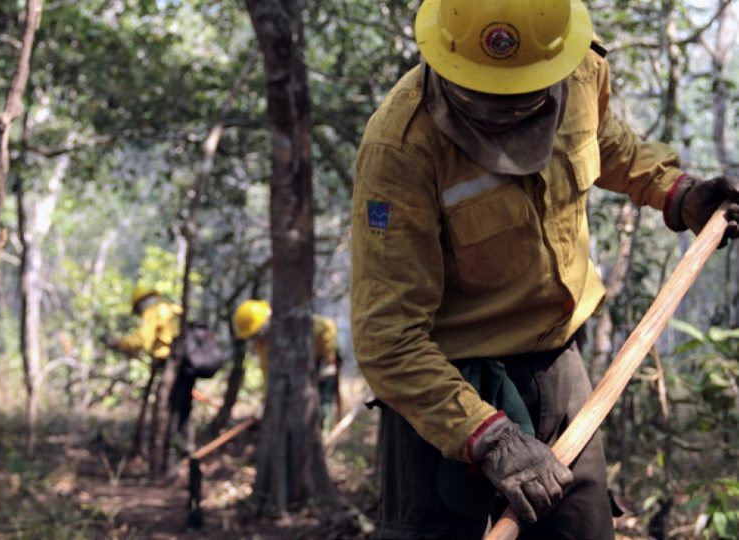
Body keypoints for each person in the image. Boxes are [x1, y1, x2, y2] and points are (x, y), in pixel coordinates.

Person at [350, 1, 739, 538]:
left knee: (581, 528)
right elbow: (388, 340)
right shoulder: (401, 147)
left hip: (557, 370)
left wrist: (677, 192)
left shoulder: (577, 70)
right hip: (439, 386)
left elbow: (603, 139)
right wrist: (487, 435)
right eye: (489, 97)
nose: (507, 113)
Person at [106, 286, 194, 455]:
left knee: (169, 408)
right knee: (183, 407)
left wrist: (119, 343)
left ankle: (169, 451)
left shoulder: (153, 310)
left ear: (140, 304)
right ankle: (185, 447)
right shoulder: (171, 307)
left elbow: (142, 340)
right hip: (188, 363)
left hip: (173, 364)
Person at [233, 299, 341, 433]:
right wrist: (265, 401)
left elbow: (328, 326)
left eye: (256, 334)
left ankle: (322, 434)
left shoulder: (293, 324)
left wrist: (327, 358)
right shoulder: (263, 344)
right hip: (296, 373)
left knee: (322, 403)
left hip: (321, 361)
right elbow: (267, 371)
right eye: (252, 337)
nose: (255, 339)